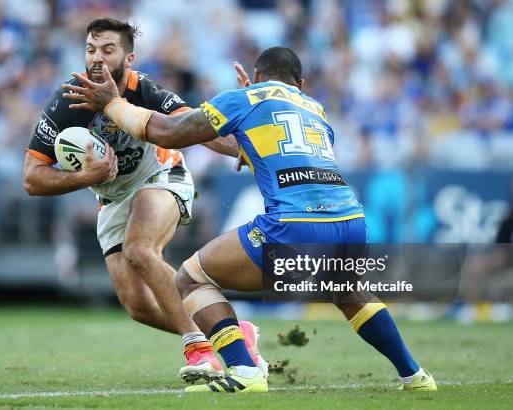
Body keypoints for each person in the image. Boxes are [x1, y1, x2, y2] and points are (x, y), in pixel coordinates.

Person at [62, 46, 438, 393]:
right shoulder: (315, 107)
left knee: (191, 278)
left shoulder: (245, 98)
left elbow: (170, 132)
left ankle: (244, 369)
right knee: (347, 291)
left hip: (295, 223)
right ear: (300, 83)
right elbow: (277, 141)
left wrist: (112, 104)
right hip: (352, 221)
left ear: (256, 76)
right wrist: (245, 118)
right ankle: (415, 375)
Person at [23, 17, 266, 383]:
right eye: (91, 49)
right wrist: (84, 178)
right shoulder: (67, 101)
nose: (97, 58)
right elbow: (31, 178)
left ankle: (201, 349)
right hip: (112, 196)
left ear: (129, 58)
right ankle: (233, 332)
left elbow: (195, 126)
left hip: (161, 175)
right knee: (138, 306)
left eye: (108, 50)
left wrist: (240, 145)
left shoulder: (147, 90)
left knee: (140, 249)